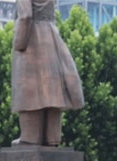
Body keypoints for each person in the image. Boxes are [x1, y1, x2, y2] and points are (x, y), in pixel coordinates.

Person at [10, 0, 84, 146]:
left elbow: (25, 16)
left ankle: (30, 137)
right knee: (53, 91)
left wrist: (19, 42)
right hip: (51, 35)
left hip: (31, 37)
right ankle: (52, 137)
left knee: (30, 90)